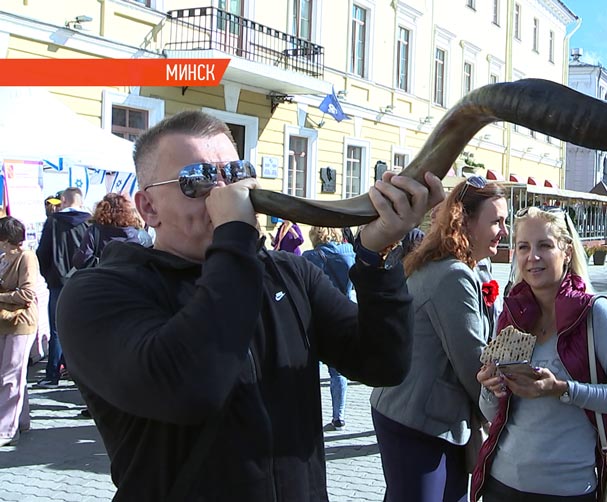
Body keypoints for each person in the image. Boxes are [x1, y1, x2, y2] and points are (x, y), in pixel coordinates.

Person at [55, 110, 444, 501]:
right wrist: (235, 237)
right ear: (149, 208)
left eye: (237, 173)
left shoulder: (287, 274)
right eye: (199, 180)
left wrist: (375, 256)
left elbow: (382, 362)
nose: (228, 193)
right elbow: (192, 387)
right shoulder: (99, 294)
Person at [470, 207, 607, 501]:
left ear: (565, 251)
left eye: (545, 246)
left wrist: (561, 389)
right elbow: (492, 412)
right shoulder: (513, 314)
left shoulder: (593, 313)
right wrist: (490, 388)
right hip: (503, 482)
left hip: (568, 488)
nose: (532, 256)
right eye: (524, 246)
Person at [370, 177, 508, 502]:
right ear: (467, 222)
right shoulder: (454, 275)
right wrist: (503, 416)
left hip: (419, 414)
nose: (504, 230)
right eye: (496, 222)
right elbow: (472, 362)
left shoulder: (457, 266)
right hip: (417, 419)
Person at [35, 186, 91, 388]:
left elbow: (42, 253)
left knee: (57, 329)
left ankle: (52, 375)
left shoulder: (53, 222)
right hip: (85, 281)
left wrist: (49, 275)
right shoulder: (90, 222)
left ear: (64, 201)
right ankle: (82, 375)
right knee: (83, 328)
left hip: (58, 282)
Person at [301, 226, 355, 430]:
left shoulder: (311, 256)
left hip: (314, 318)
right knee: (338, 371)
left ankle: (309, 415)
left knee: (309, 370)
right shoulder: (349, 252)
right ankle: (338, 416)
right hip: (342, 314)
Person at [0, 217, 40, 447]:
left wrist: (3, 296)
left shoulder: (26, 257)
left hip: (21, 322)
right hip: (5, 321)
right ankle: (21, 420)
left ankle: (7, 429)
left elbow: (27, 294)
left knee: (10, 375)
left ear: (6, 240)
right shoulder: (4, 259)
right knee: (11, 373)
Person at [72, 193, 153, 270]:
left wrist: (102, 264)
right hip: (130, 281)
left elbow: (81, 261)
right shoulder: (138, 234)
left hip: (100, 280)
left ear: (101, 209)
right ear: (126, 211)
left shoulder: (94, 231)